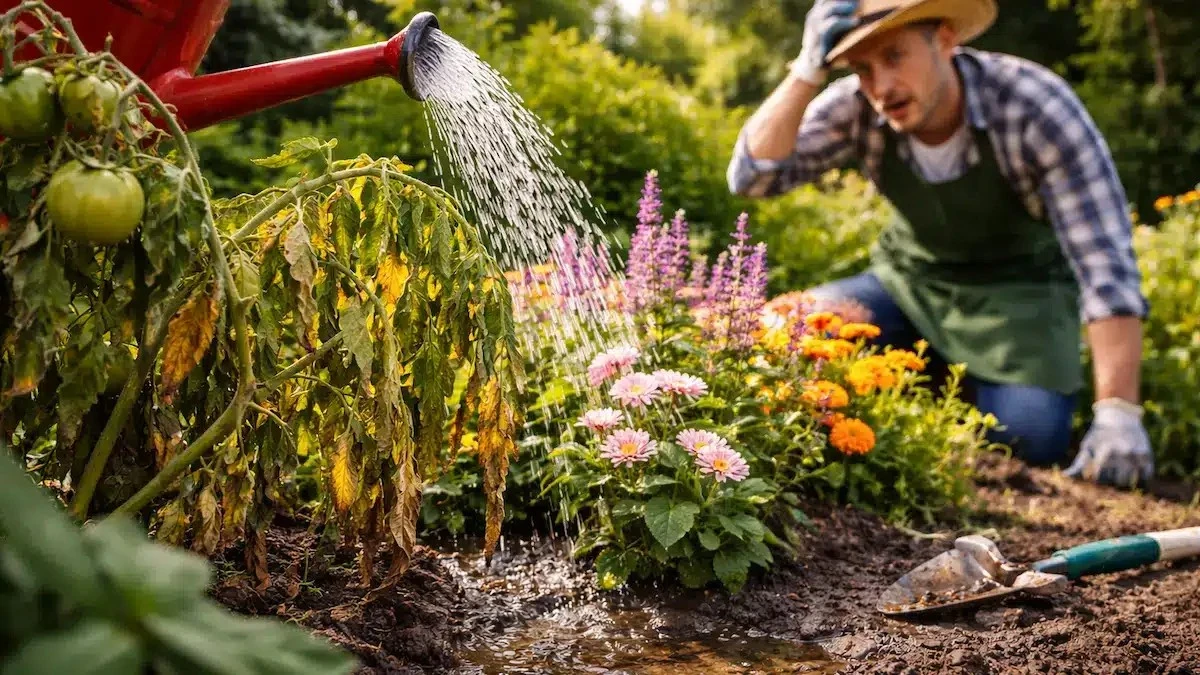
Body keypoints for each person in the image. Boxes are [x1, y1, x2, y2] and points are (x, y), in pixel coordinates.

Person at [726, 0, 1154, 487]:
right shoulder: (855, 106)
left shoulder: (1033, 106)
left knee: (1028, 434)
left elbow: (1104, 261)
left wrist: (1119, 411)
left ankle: (942, 387)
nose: (881, 87)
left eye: (894, 56)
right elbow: (753, 177)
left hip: (1021, 299)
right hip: (908, 283)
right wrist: (806, 71)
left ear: (945, 40)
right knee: (790, 335)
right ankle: (928, 385)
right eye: (862, 68)